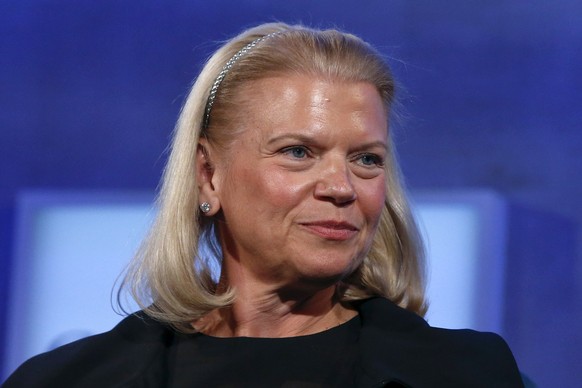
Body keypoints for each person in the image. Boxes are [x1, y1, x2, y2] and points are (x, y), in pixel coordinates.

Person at [4, 22, 524, 387]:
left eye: (366, 159)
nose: (342, 187)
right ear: (209, 176)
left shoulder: (470, 374)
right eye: (298, 152)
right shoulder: (66, 380)